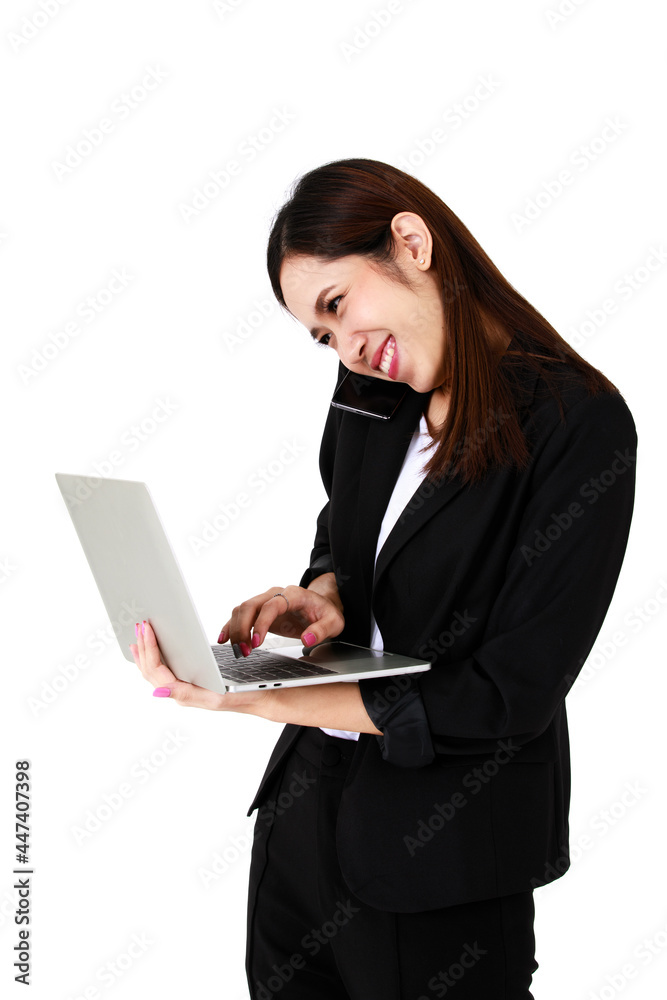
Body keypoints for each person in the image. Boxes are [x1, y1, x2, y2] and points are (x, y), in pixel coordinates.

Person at [130, 158, 638, 999]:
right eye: (321, 337)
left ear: (410, 242)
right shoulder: (371, 393)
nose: (346, 350)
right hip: (303, 826)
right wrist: (321, 593)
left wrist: (261, 698)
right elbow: (345, 530)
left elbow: (511, 693)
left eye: (337, 306)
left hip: (442, 854)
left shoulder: (576, 422)